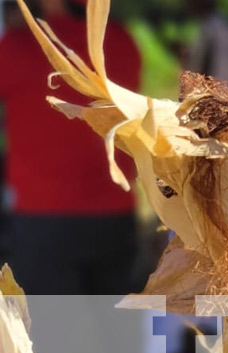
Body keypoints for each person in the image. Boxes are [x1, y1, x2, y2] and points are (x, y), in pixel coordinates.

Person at [0, 0, 141, 296]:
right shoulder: (122, 42)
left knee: (52, 335)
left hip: (43, 217)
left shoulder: (16, 47)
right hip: (114, 216)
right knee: (112, 331)